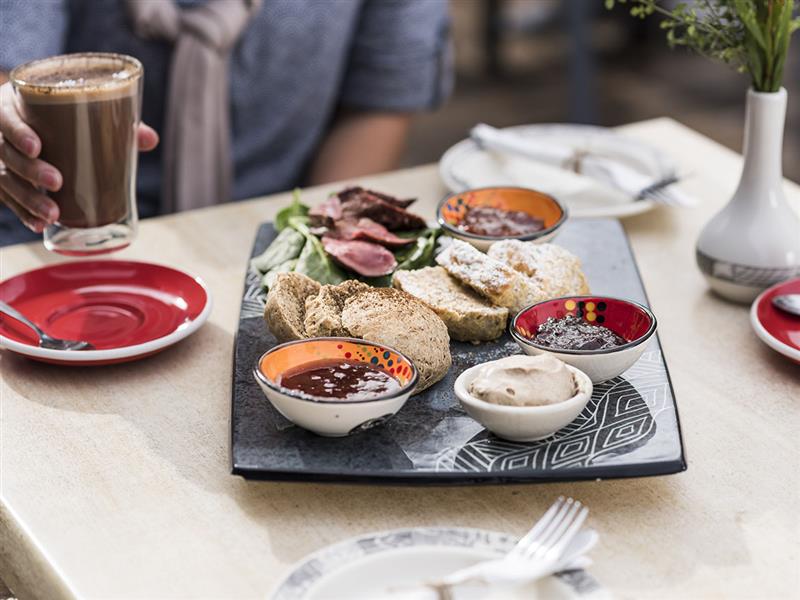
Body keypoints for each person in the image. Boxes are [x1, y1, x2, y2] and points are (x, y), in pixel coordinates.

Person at [0, 0, 452, 245]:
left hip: (275, 229)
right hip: (47, 238)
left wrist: (316, 247)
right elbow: (11, 65)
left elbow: (376, 103)